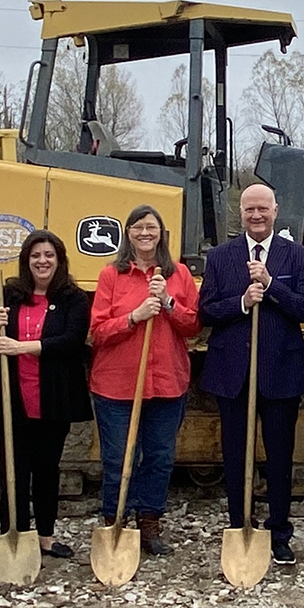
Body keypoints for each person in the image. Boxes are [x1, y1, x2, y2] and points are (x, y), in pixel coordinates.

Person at [198, 183, 304, 565]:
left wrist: (270, 285)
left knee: (280, 456)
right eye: (249, 209)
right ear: (241, 214)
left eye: (263, 208)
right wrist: (242, 302)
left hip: (280, 370)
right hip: (233, 371)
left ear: (276, 210)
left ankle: (279, 532)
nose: (256, 215)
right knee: (235, 455)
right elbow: (206, 312)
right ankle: (239, 526)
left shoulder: (297, 256)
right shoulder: (220, 257)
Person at [88, 205, 201, 556]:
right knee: (119, 457)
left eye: (151, 227)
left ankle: (149, 522)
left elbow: (194, 326)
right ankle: (115, 520)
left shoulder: (179, 274)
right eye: (137, 227)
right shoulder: (111, 275)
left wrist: (167, 302)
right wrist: (134, 317)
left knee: (160, 456)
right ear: (128, 233)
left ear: (161, 233)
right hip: (116, 384)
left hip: (167, 382)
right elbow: (96, 332)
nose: (144, 233)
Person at [0, 229, 93, 560]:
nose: (43, 261)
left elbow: (71, 341)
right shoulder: (5, 295)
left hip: (52, 398)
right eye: (36, 255)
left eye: (49, 255)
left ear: (59, 260)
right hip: (12, 399)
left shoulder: (73, 297)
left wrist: (21, 347)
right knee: (13, 469)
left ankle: (45, 536)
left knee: (46, 469)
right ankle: (14, 535)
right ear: (27, 260)